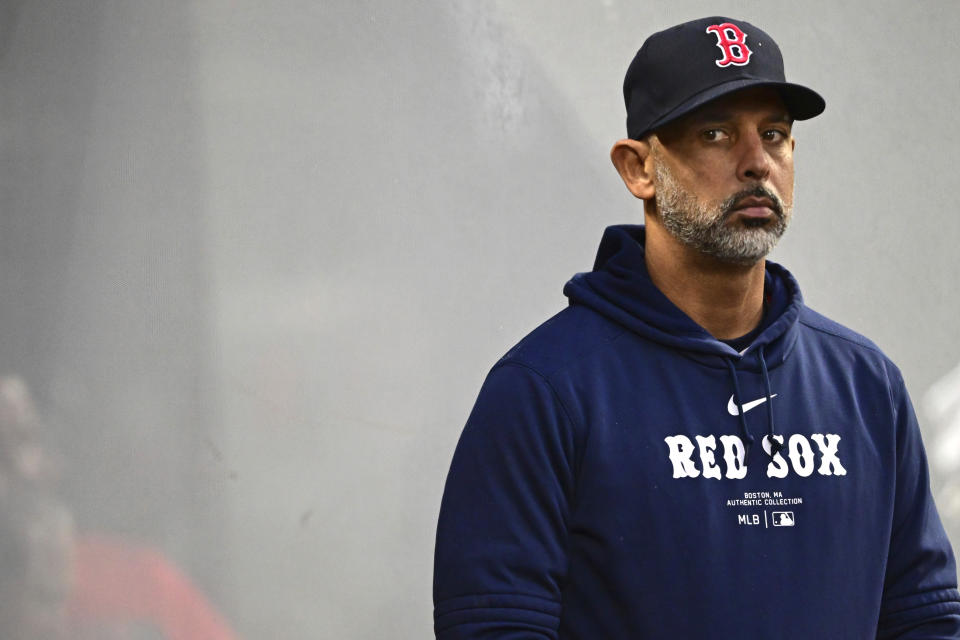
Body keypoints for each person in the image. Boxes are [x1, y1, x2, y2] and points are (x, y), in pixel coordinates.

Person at [433, 16, 960, 639]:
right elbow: (496, 627)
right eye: (715, 134)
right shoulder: (543, 390)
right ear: (639, 170)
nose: (756, 163)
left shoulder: (866, 386)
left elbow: (925, 618)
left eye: (775, 134)